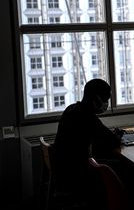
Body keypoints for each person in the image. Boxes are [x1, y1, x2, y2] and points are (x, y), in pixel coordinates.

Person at [53, 78, 122, 208]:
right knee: (122, 167)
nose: (106, 104)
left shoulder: (71, 109)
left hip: (65, 172)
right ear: (95, 99)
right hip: (77, 176)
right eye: (105, 100)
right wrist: (117, 136)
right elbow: (112, 141)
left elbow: (99, 136)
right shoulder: (87, 116)